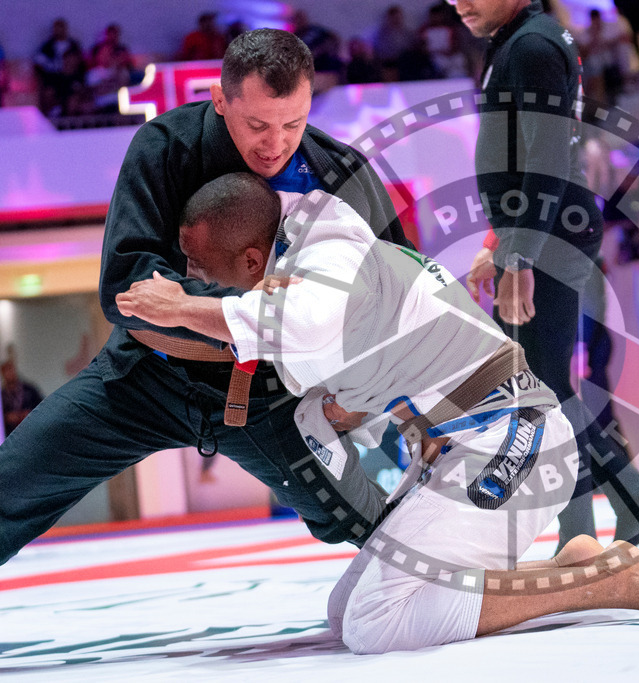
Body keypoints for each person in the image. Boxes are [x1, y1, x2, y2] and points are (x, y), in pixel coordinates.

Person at [116, 172, 639, 654]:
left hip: (515, 442)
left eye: (196, 268)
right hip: (477, 444)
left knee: (378, 624)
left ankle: (605, 582)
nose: (189, 279)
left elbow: (294, 322)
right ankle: (570, 564)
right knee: (345, 614)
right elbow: (298, 340)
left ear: (252, 262)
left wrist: (175, 309)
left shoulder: (322, 275)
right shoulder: (308, 250)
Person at [0, 29, 411, 566]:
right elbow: (124, 286)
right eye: (257, 124)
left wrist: (363, 389)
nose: (276, 143)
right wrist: (271, 320)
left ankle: (498, 581)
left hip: (271, 396)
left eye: (294, 123)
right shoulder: (166, 147)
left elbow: (402, 292)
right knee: (11, 491)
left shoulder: (340, 175)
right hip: (142, 377)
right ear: (220, 100)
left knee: (375, 529)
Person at [454, 0, 639, 549]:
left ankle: (590, 524)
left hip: (549, 235)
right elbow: (521, 157)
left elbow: (545, 159)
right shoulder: (519, 40)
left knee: (544, 388)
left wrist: (519, 256)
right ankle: (613, 506)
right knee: (544, 386)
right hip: (542, 229)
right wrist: (499, 242)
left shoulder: (531, 46)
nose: (458, 1)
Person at [1, 351, 44, 438]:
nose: (9, 373)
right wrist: (7, 417)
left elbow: (43, 407)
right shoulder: (2, 395)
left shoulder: (30, 390)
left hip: (30, 433)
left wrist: (30, 413)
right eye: (6, 370)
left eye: (11, 369)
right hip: (10, 436)